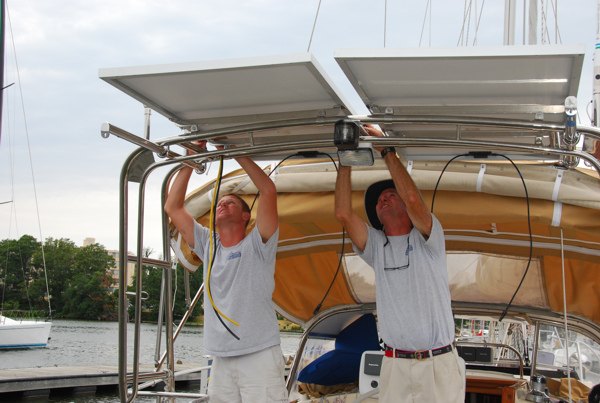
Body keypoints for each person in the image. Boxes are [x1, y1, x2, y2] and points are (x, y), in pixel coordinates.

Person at [334, 125, 464, 402]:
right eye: (380, 200)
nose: (384, 199)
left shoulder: (429, 238)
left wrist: (386, 150)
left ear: (406, 206)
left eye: (392, 195)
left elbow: (415, 198)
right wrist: (345, 157)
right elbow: (343, 213)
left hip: (438, 364)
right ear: (378, 219)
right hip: (394, 364)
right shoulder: (376, 248)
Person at [164, 141, 287, 403]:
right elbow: (173, 208)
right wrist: (190, 158)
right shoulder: (208, 245)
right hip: (220, 357)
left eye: (231, 202)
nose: (223, 204)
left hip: (260, 354)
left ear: (246, 217)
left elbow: (267, 189)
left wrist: (235, 151)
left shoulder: (259, 242)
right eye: (220, 203)